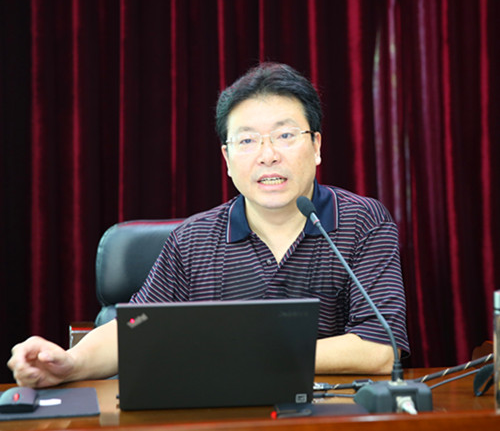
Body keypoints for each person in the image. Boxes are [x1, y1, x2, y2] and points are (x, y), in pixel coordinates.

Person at [8, 62, 409, 388]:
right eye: (247, 141)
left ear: (317, 146)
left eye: (285, 135)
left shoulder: (362, 221)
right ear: (227, 160)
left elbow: (380, 347)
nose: (268, 155)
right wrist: (70, 363)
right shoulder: (193, 240)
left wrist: (246, 352)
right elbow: (135, 330)